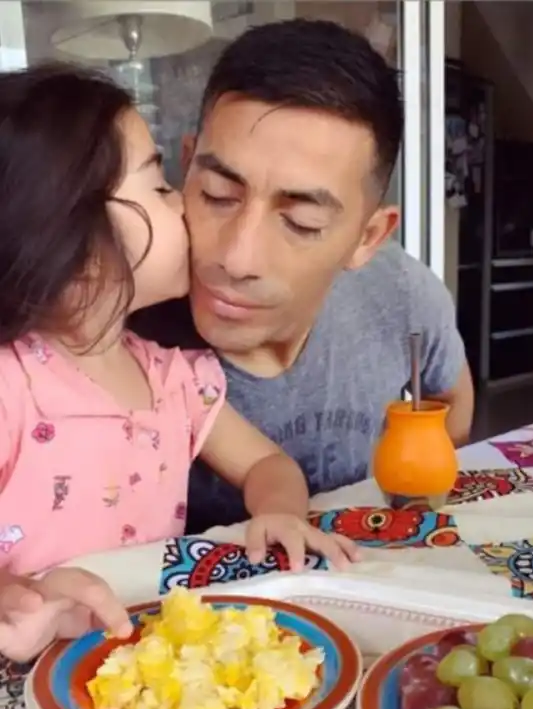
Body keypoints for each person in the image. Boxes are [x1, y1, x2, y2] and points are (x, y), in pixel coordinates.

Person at [0, 63, 358, 662]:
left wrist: (280, 512)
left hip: (146, 667)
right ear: (69, 230)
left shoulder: (178, 381)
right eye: (160, 186)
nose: (188, 210)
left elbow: (269, 464)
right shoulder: (13, 385)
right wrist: (13, 596)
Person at [131, 18, 474, 535]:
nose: (236, 258)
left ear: (367, 238)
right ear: (186, 167)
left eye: (301, 222)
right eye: (217, 195)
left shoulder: (401, 293)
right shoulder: (118, 325)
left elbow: (454, 402)